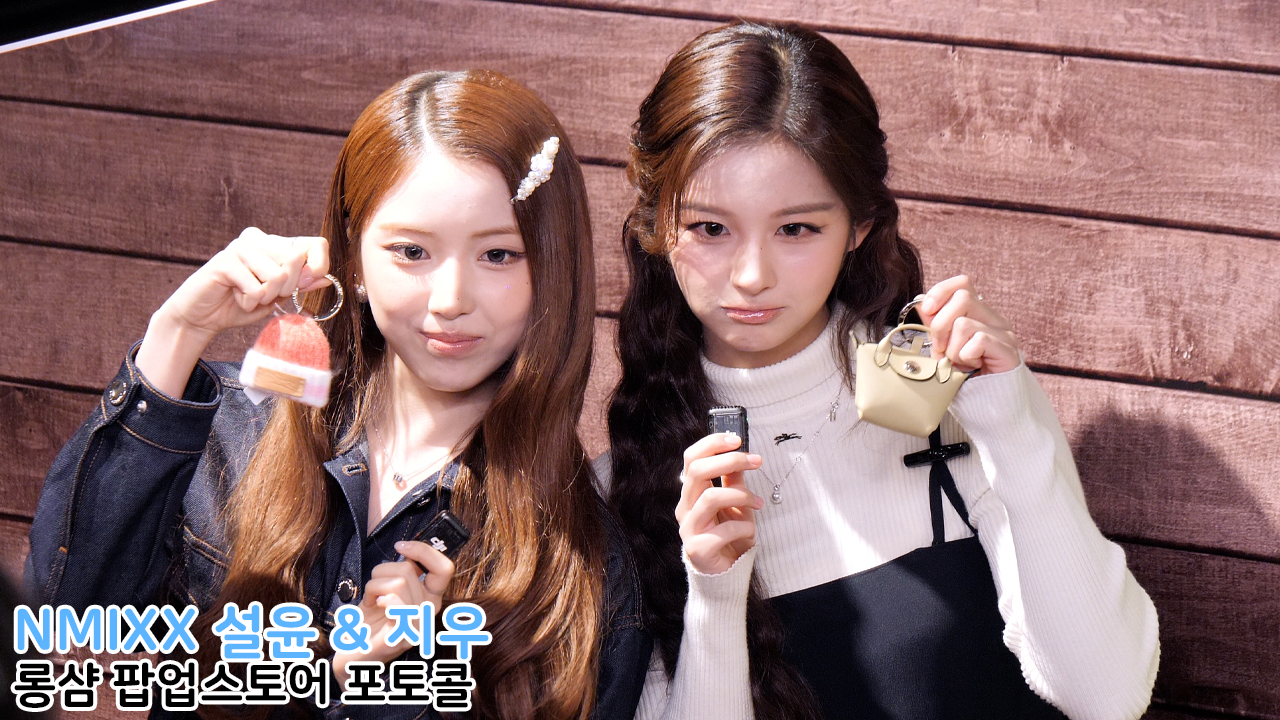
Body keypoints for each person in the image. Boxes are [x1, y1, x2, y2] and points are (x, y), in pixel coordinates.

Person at [25, 69, 650, 720]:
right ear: (353, 258)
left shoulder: (585, 578)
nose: (451, 300)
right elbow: (62, 636)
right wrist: (177, 333)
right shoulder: (229, 436)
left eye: (498, 255)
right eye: (412, 251)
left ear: (551, 268)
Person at [601, 22, 1159, 720]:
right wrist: (714, 596)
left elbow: (1108, 696)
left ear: (858, 226)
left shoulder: (955, 396)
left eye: (796, 229)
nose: (751, 275)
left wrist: (1011, 423)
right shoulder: (620, 490)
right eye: (710, 228)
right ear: (657, 225)